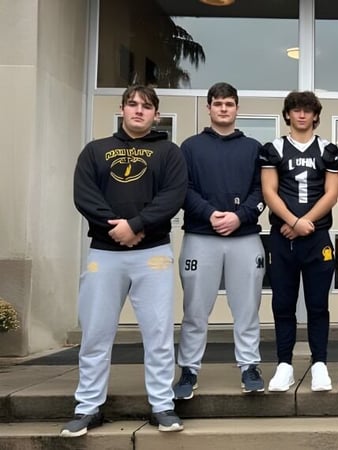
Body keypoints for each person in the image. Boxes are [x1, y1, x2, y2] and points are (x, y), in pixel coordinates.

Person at [63, 85, 187, 437]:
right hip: (105, 255)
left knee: (159, 332)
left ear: (156, 115)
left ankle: (162, 404)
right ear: (121, 109)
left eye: (146, 107)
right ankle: (87, 407)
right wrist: (115, 228)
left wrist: (136, 225)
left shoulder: (169, 153)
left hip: (153, 255)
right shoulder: (95, 151)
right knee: (96, 333)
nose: (138, 111)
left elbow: (173, 196)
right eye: (132, 105)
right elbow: (84, 195)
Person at [173, 82, 266, 400]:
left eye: (229, 103)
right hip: (201, 236)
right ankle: (188, 370)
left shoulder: (254, 147)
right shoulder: (190, 147)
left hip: (245, 237)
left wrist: (240, 216)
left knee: (247, 308)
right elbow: (183, 189)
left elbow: (262, 190)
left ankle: (249, 366)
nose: (223, 108)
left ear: (237, 108)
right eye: (218, 103)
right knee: (195, 308)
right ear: (208, 108)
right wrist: (211, 213)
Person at [260, 91, 338, 393]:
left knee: (318, 304)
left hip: (317, 236)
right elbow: (270, 191)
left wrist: (306, 223)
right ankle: (284, 364)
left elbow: (332, 193)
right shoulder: (274, 148)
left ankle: (319, 362)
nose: (302, 115)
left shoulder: (329, 150)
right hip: (283, 237)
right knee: (283, 303)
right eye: (296, 110)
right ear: (288, 115)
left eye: (307, 110)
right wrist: (293, 222)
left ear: (316, 115)